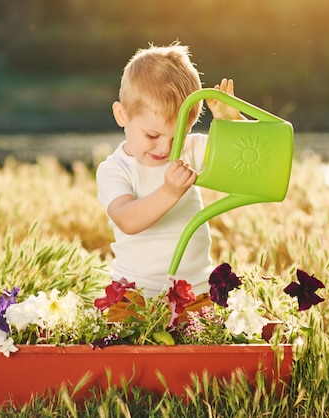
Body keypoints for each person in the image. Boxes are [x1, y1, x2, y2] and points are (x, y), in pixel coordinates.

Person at [96, 42, 243, 321]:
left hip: (194, 294)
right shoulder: (115, 169)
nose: (165, 148)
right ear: (122, 115)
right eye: (152, 135)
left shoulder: (190, 150)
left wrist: (232, 126)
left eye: (177, 136)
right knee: (118, 335)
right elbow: (127, 219)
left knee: (212, 336)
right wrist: (168, 191)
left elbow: (245, 168)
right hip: (133, 295)